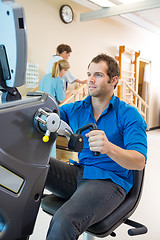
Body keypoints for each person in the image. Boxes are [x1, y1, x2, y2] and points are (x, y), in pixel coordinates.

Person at [45, 54, 147, 240]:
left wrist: (109, 148)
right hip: (80, 173)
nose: (90, 80)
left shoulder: (129, 115)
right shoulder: (76, 108)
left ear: (113, 80)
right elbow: (50, 115)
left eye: (98, 75)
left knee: (64, 219)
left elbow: (139, 161)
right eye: (89, 74)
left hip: (110, 182)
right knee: (35, 166)